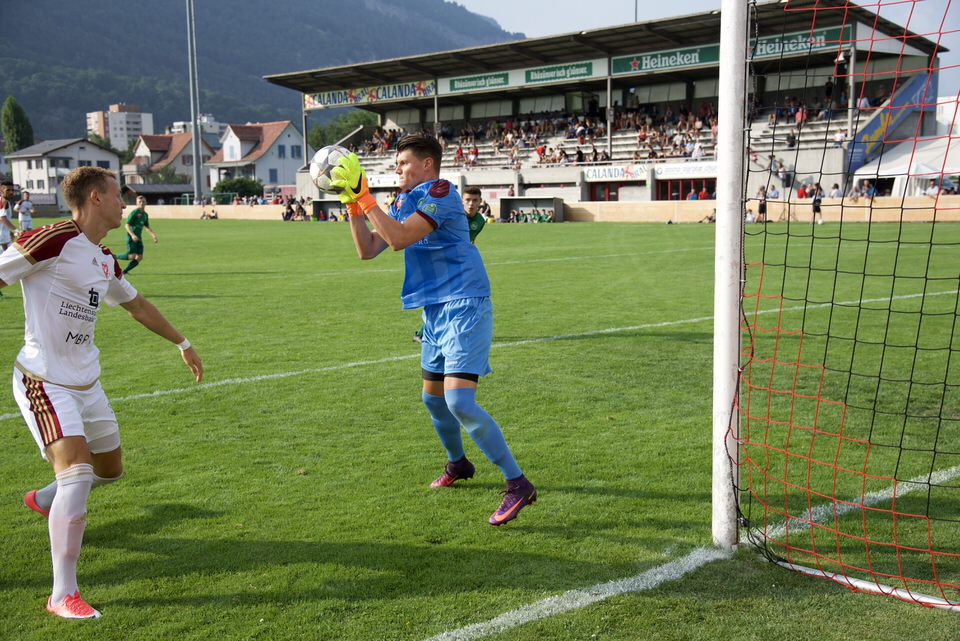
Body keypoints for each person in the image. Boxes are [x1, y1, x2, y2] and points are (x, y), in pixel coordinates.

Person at [0, 167, 202, 620]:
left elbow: (137, 305)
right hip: (43, 380)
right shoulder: (51, 240)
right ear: (95, 198)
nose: (124, 204)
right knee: (77, 475)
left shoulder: (103, 258)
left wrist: (182, 343)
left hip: (87, 384)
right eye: (117, 196)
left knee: (109, 471)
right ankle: (62, 594)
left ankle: (45, 499)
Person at [332, 133, 535, 526]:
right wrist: (352, 203)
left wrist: (365, 196)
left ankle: (518, 484)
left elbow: (398, 240)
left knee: (459, 401)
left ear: (427, 164)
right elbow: (367, 249)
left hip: (464, 303)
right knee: (433, 400)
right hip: (434, 311)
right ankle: (458, 464)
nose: (398, 169)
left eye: (403, 163)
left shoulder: (440, 193)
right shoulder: (403, 201)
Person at [414, 186, 487, 344]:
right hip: (440, 260)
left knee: (458, 298)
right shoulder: (453, 214)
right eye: (467, 200)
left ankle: (442, 330)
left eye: (475, 200)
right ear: (461, 201)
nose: (471, 204)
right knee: (439, 298)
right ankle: (423, 332)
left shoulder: (480, 222)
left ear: (480, 202)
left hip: (459, 264)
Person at [116, 196, 157, 274]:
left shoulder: (145, 215)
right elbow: (126, 225)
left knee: (139, 257)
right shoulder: (134, 212)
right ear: (136, 203)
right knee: (132, 256)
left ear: (146, 203)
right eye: (139, 202)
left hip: (139, 239)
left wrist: (153, 235)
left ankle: (124, 272)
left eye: (143, 202)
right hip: (131, 238)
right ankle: (114, 256)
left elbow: (147, 226)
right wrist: (132, 235)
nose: (141, 203)